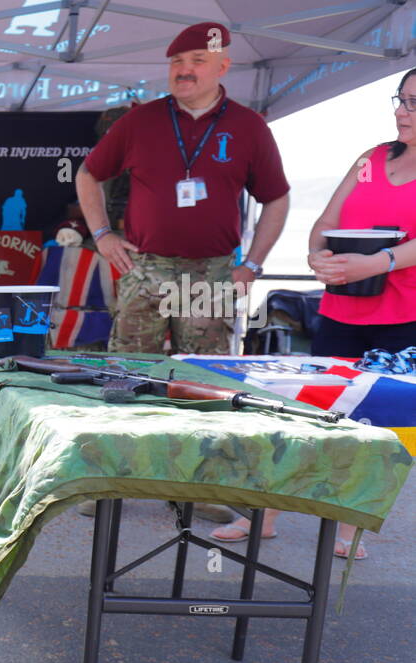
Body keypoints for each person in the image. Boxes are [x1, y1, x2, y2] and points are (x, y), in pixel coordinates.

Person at [74, 21, 292, 524]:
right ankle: (112, 482)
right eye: (177, 62)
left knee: (205, 382)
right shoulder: (141, 121)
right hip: (144, 268)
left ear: (222, 67)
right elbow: (89, 174)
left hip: (212, 274)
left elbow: (277, 197)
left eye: (196, 61)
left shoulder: (248, 126)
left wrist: (253, 263)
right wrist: (103, 234)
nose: (184, 71)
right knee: (126, 378)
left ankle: (203, 487)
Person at [213, 68, 416, 558]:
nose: (400, 111)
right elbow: (326, 222)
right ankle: (263, 514)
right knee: (306, 414)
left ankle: (349, 528)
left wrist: (380, 261)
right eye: (401, 99)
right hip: (341, 310)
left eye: (413, 104)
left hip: (403, 317)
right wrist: (315, 256)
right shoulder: (370, 158)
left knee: (378, 428)